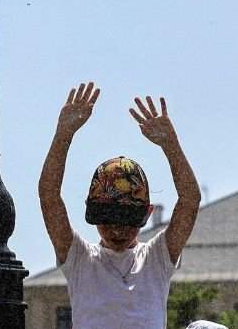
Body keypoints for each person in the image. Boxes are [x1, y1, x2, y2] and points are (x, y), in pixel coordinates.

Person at [38, 81, 200, 329]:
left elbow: (190, 201)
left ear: (148, 212)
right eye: (108, 221)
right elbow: (49, 196)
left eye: (127, 223)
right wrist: (63, 135)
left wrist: (171, 145)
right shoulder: (81, 260)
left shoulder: (156, 258)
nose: (117, 231)